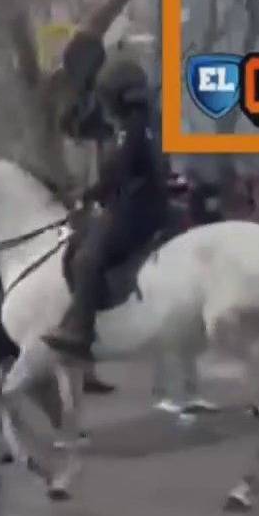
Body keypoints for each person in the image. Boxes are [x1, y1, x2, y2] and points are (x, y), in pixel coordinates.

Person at [43, 56, 170, 361]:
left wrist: (88, 194)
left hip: (136, 210)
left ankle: (81, 331)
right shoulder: (141, 122)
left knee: (88, 258)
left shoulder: (133, 129)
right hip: (135, 203)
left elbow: (118, 173)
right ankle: (81, 312)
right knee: (76, 244)